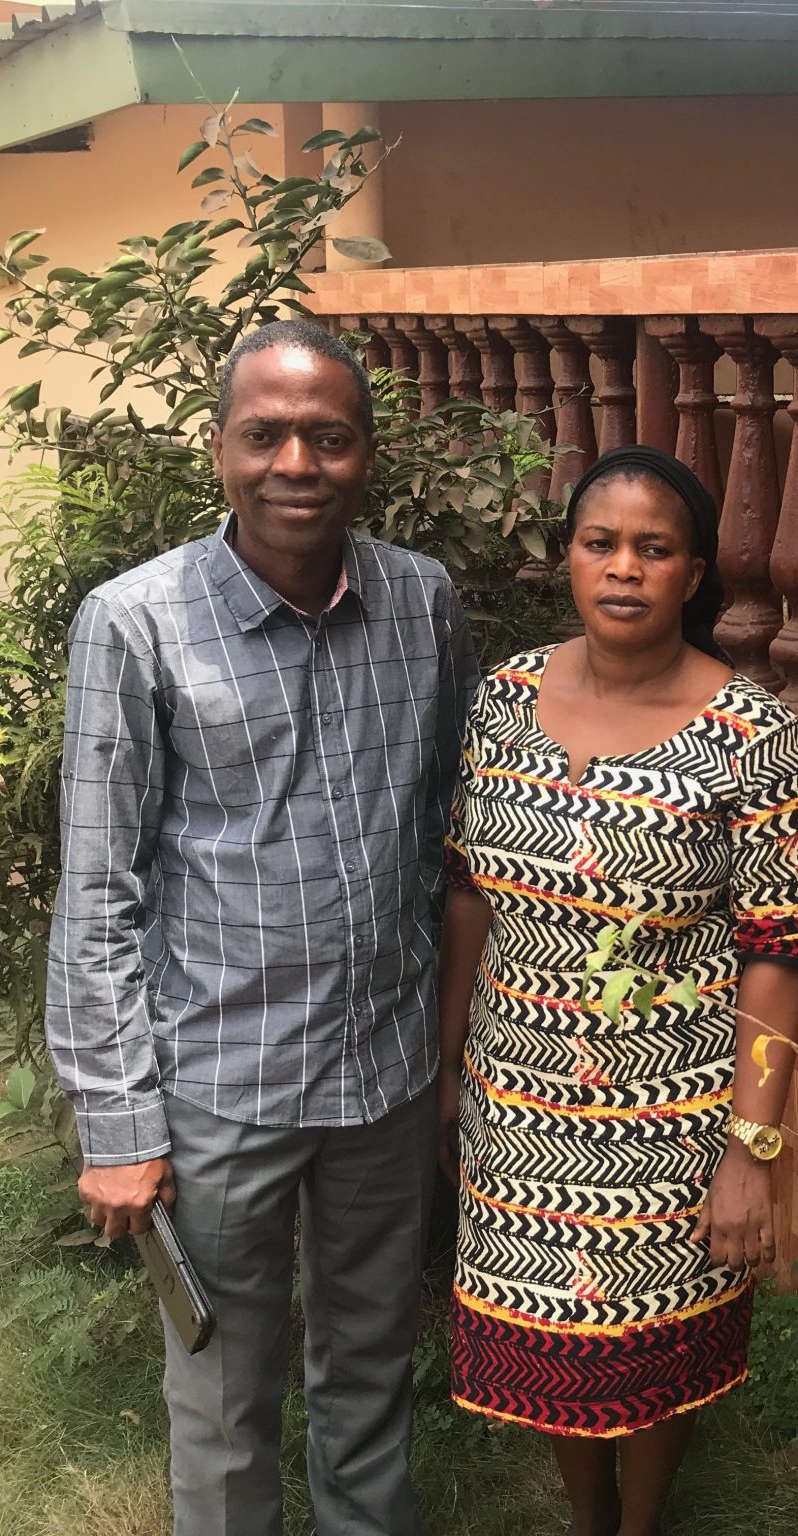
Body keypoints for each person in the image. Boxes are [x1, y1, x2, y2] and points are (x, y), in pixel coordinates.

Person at [45, 319, 479, 1536]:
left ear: (367, 453)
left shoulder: (421, 601)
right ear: (221, 450)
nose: (297, 462)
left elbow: (444, 822)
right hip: (220, 1080)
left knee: (371, 1365)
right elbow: (97, 888)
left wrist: (449, 1052)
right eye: (266, 434)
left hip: (385, 1071)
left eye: (328, 437)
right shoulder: (135, 621)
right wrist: (119, 1126)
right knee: (224, 1394)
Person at [437, 445, 798, 1536]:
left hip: (675, 1113)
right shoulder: (503, 701)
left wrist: (753, 1149)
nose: (625, 568)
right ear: (570, 558)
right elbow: (468, 891)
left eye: (655, 548)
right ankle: (587, 1518)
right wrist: (449, 1066)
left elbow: (778, 950)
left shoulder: (755, 735)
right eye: (601, 543)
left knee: (655, 1345)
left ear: (694, 573)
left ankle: (638, 1525)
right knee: (548, 1339)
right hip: (518, 1100)